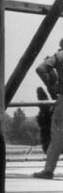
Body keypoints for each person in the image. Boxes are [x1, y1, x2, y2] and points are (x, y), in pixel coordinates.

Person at [34, 40, 63, 179]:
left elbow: (40, 69)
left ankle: (48, 170)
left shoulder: (59, 56)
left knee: (57, 138)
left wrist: (52, 86)